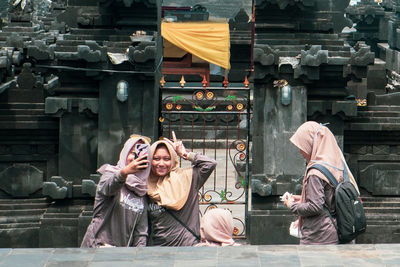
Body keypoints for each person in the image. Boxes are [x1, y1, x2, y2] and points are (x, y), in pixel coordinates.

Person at [284, 121, 360, 245]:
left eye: (302, 146)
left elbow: (315, 206)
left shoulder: (315, 172)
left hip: (319, 235)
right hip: (338, 230)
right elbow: (328, 198)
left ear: (312, 144)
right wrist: (300, 199)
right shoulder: (337, 165)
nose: (300, 152)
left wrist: (291, 205)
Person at [81, 135, 151, 248]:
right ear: (125, 153)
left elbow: (141, 233)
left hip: (121, 255)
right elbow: (108, 188)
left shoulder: (141, 190)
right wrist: (124, 173)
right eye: (132, 153)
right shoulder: (110, 173)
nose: (134, 158)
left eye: (141, 154)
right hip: (97, 248)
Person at [147, 135, 217, 246]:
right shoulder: (145, 184)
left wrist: (184, 154)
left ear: (173, 159)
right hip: (159, 247)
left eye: (166, 159)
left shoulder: (187, 178)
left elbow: (210, 164)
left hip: (188, 244)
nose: (161, 163)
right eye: (156, 159)